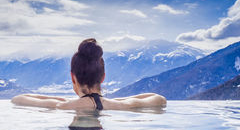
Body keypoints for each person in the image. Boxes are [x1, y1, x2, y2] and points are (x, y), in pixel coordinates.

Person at [11, 38, 166, 110]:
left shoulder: (62, 106)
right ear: (103, 77)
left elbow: (18, 99)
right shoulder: (122, 106)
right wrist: (115, 100)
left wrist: (61, 99)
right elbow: (159, 99)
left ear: (73, 77)